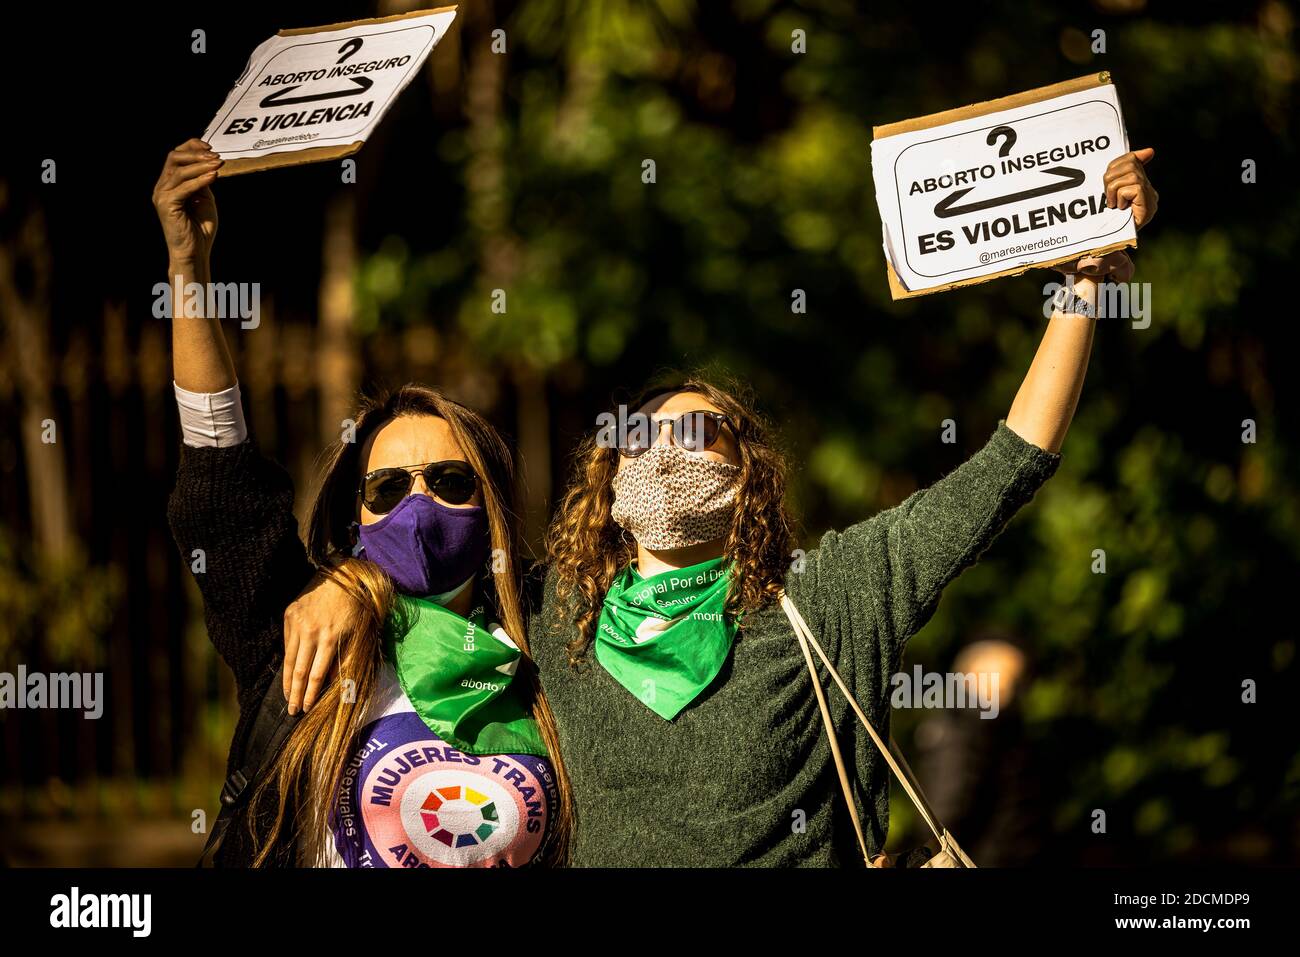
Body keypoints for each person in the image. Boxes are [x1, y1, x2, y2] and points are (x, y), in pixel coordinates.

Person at [284, 148, 1159, 865]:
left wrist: (1084, 285)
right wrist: (346, 585)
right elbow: (426, 568)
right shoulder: (551, 614)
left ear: (749, 476)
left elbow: (1013, 460)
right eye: (644, 439)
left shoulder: (833, 596)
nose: (667, 453)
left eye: (699, 434)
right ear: (610, 483)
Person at [154, 139, 571, 867]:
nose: (419, 501)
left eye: (448, 480)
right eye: (387, 487)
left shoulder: (554, 644)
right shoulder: (302, 639)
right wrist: (189, 270)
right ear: (357, 515)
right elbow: (220, 471)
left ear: (493, 503)